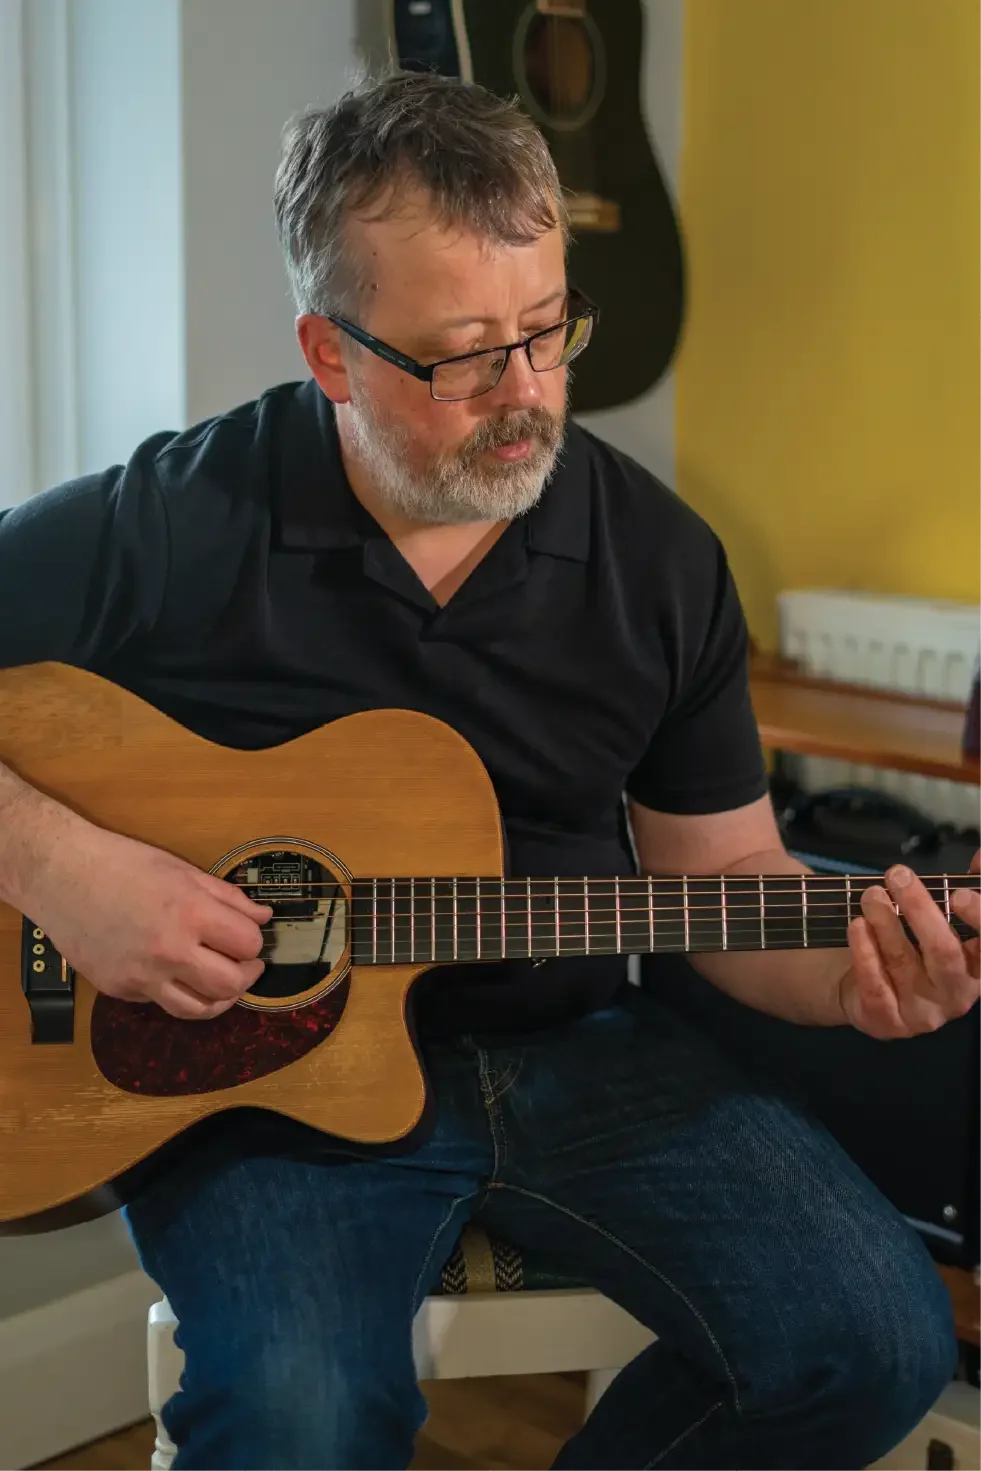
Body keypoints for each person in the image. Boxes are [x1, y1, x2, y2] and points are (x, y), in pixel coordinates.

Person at [0, 70, 976, 1471]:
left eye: (546, 332)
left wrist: (857, 980)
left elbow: (730, 881)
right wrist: (65, 869)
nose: (528, 397)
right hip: (270, 1093)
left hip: (581, 1054)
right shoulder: (179, 517)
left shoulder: (660, 561)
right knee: (296, 1418)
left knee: (877, 1341)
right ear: (331, 355)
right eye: (465, 355)